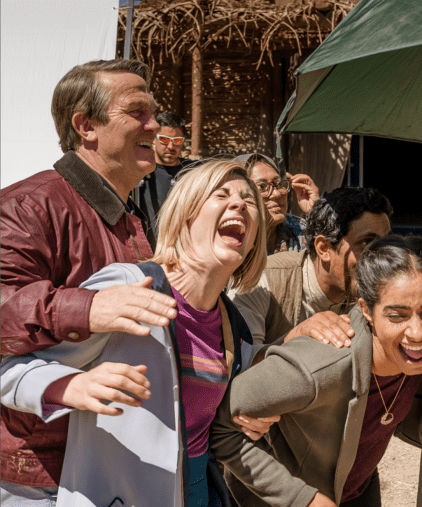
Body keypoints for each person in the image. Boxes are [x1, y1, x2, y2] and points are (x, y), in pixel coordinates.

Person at [2, 161, 268, 506]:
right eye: (221, 194)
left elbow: (216, 422)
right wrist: (69, 385)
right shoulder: (131, 283)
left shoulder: (234, 325)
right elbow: (10, 369)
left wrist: (255, 413)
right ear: (185, 215)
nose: (239, 204)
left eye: (249, 200)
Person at [0, 59, 180, 503]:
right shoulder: (28, 205)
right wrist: (88, 308)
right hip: (37, 474)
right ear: (86, 126)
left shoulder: (130, 219)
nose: (154, 125)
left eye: (153, 112)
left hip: (108, 464)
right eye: (137, 111)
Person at [212, 236, 422, 507]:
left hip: (357, 490)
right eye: (397, 315)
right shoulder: (319, 366)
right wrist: (303, 499)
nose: (417, 332)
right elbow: (221, 425)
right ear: (366, 310)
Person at [230, 186, 393, 352]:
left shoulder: (381, 288)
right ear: (324, 248)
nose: (383, 257)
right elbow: (240, 362)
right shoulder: (262, 281)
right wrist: (295, 337)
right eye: (366, 243)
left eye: (386, 243)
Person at [234, 153, 320, 255]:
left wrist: (316, 211)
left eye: (278, 183)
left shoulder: (299, 229)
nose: (277, 193)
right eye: (262, 187)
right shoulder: (232, 238)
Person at [136, 110, 195, 247]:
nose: (170, 146)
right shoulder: (140, 170)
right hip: (149, 251)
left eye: (177, 141)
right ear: (154, 139)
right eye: (164, 140)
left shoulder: (193, 172)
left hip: (183, 250)